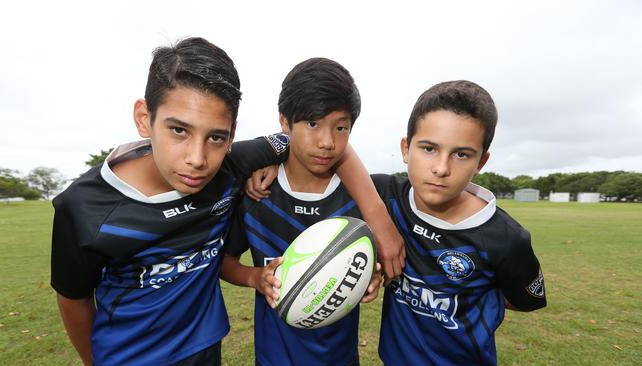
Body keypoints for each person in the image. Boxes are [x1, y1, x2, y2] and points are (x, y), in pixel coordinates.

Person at [50, 38, 399, 366]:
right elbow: (72, 298)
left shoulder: (233, 164)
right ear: (144, 118)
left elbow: (323, 141)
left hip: (206, 349)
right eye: (178, 130)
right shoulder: (84, 208)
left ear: (232, 134)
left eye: (216, 137)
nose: (197, 158)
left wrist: (376, 216)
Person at [220, 57, 387, 366]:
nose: (327, 142)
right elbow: (225, 263)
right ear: (285, 122)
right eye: (313, 124)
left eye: (341, 127)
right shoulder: (256, 195)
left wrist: (369, 278)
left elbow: (377, 267)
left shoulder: (358, 200)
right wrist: (255, 277)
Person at [374, 80, 547, 365]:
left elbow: (524, 300)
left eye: (461, 154)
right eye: (429, 148)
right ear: (406, 149)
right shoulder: (385, 196)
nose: (441, 168)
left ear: (481, 162)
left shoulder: (505, 238)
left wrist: (472, 295)